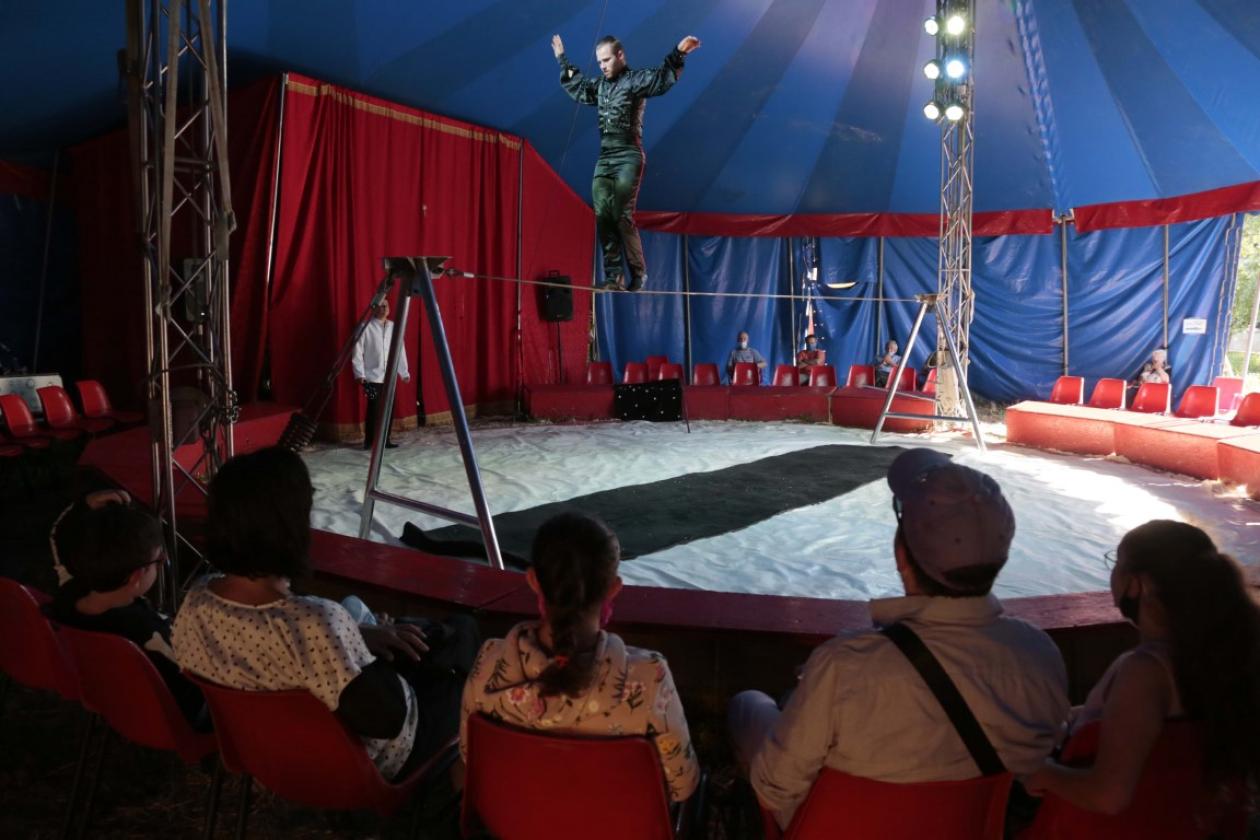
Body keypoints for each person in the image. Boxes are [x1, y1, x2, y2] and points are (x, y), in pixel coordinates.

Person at [729, 448, 1069, 831]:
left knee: (749, 704)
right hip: (968, 828)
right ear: (1002, 553)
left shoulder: (844, 665)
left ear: (901, 555)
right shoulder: (1040, 654)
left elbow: (774, 790)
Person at [173, 447, 477, 781]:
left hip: (264, 750)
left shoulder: (196, 601)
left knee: (423, 640)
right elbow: (387, 720)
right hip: (363, 763)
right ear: (290, 526)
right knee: (463, 639)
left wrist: (356, 637)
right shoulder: (316, 621)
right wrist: (363, 651)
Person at [460, 512, 700, 804]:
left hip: (512, 822)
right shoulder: (650, 678)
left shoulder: (488, 664)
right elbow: (682, 785)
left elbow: (470, 757)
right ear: (614, 589)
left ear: (533, 581)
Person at [1025, 521, 1260, 816]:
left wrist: (1042, 773)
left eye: (1116, 562)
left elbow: (1107, 797)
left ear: (1137, 584)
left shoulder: (1147, 671)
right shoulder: (1230, 654)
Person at [552, 33, 701, 292]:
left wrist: (679, 53)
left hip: (628, 155)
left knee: (621, 215)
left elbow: (661, 79)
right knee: (603, 215)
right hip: (605, 158)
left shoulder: (635, 80)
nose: (602, 66)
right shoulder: (600, 86)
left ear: (620, 56)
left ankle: (638, 272)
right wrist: (562, 59)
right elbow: (579, 86)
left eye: (607, 60)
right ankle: (615, 277)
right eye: (599, 62)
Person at [46, 491, 208, 729]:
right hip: (178, 720)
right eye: (158, 560)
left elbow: (57, 535)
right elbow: (203, 679)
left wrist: (84, 505)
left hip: (112, 697)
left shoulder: (68, 595)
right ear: (136, 577)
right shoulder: (149, 634)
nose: (162, 561)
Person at [352, 298, 410, 450]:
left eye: (386, 305)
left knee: (388, 409)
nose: (384, 308)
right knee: (374, 408)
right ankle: (370, 441)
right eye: (381, 306)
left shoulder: (394, 327)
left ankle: (385, 439)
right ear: (374, 308)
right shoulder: (365, 327)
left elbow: (400, 350)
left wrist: (404, 372)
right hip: (371, 377)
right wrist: (359, 374)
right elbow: (357, 351)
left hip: (389, 376)